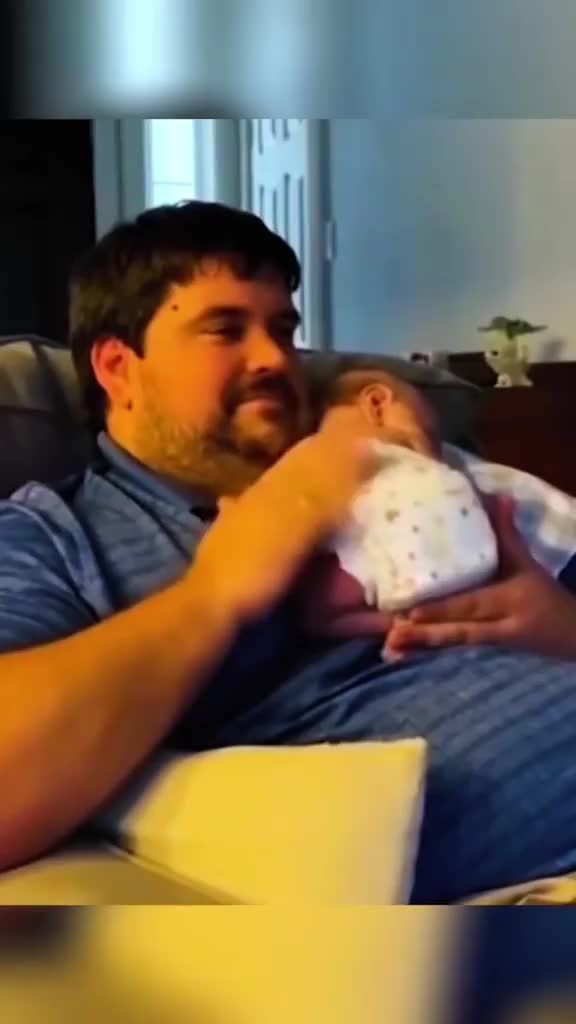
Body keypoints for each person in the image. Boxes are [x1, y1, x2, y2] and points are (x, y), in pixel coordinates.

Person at [1, 201, 576, 903]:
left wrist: (561, 623)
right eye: (225, 330)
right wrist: (217, 591)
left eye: (282, 329)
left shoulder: (382, 461)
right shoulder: (55, 534)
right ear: (118, 368)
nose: (275, 359)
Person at [297, 368, 576, 656]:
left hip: (552, 564)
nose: (436, 454)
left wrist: (397, 621)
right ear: (377, 403)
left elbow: (322, 616)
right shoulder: (328, 476)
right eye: (430, 436)